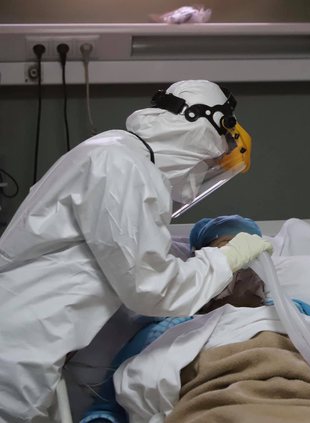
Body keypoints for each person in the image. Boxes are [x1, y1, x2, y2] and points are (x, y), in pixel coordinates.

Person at [0, 80, 272, 422]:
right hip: (19, 348)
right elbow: (150, 286)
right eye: (209, 163)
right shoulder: (121, 165)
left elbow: (127, 262)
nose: (199, 180)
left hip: (30, 339)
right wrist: (225, 259)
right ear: (198, 132)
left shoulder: (114, 153)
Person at [80, 215, 310, 423]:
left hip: (306, 401)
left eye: (254, 255)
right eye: (232, 252)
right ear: (205, 263)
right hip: (212, 404)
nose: (245, 267)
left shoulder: (293, 311)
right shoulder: (166, 327)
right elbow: (109, 405)